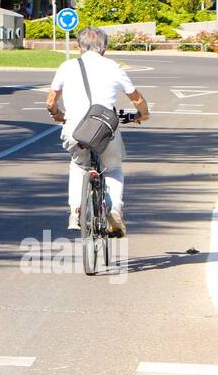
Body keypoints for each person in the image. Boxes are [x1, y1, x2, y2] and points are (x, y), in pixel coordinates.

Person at [44, 26, 150, 235]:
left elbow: (51, 101)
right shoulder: (113, 67)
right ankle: (115, 211)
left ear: (79, 47)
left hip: (75, 128)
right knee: (112, 168)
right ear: (104, 48)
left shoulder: (67, 66)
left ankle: (75, 210)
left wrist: (56, 113)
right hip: (104, 127)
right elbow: (137, 98)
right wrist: (142, 115)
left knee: (78, 165)